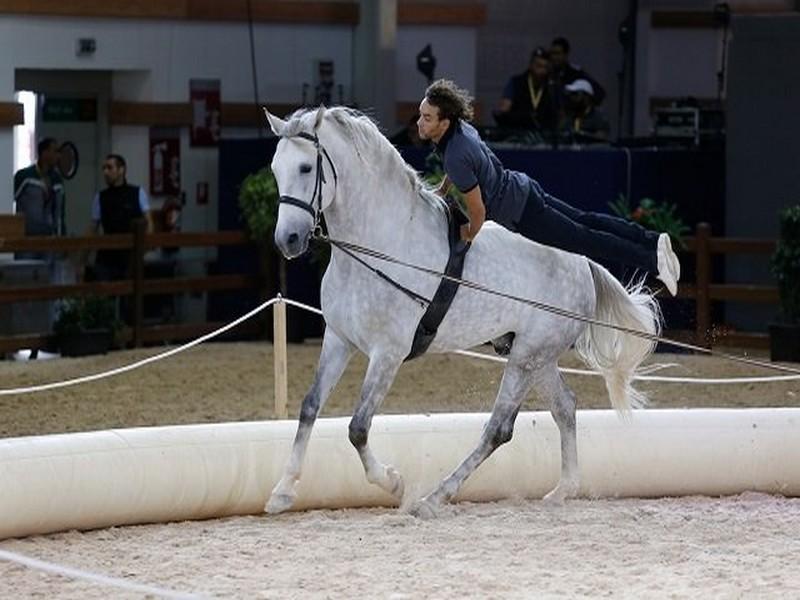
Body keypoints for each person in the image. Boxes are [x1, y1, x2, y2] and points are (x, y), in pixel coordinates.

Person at [416, 79, 680, 295]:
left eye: (427, 118)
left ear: (444, 122)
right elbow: (468, 166)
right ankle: (654, 241)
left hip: (521, 212)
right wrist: (443, 188)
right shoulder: (461, 129)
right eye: (421, 115)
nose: (419, 122)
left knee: (585, 240)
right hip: (524, 188)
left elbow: (479, 213)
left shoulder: (454, 155)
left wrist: (468, 233)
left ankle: (653, 263)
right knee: (586, 221)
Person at [88, 154, 153, 281]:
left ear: (121, 170)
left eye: (109, 168)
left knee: (129, 297)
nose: (105, 172)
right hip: (106, 258)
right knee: (105, 297)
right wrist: (82, 258)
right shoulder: (100, 197)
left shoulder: (137, 193)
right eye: (104, 168)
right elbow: (92, 228)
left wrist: (143, 250)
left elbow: (149, 223)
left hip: (130, 257)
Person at [13, 137, 66, 259]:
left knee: (48, 275)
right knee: (26, 274)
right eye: (55, 151)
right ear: (44, 153)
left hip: (49, 241)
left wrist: (62, 239)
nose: (58, 156)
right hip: (26, 240)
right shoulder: (24, 177)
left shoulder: (57, 180)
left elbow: (61, 214)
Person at [495, 47, 559, 134]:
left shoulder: (551, 87)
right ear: (531, 65)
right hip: (518, 133)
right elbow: (504, 110)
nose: (542, 71)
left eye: (545, 67)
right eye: (539, 66)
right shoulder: (516, 82)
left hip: (544, 136)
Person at [549, 37, 606, 107]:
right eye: (552, 54)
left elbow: (599, 92)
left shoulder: (576, 73)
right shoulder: (547, 73)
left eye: (557, 54)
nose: (554, 57)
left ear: (566, 55)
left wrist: (586, 111)